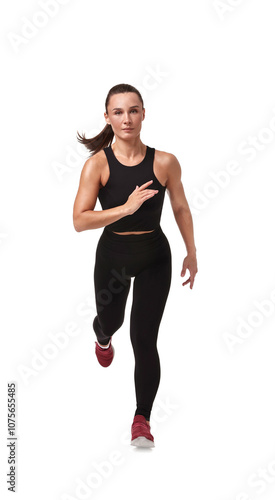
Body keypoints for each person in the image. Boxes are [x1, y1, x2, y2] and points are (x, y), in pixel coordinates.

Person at [73, 83, 197, 448]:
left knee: (144, 339)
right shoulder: (97, 164)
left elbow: (180, 207)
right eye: (118, 112)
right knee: (112, 321)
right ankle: (102, 335)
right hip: (113, 257)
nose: (126, 118)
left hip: (154, 258)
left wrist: (191, 250)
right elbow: (80, 220)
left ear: (143, 114)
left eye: (133, 110)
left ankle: (141, 419)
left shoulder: (165, 162)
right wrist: (125, 209)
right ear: (108, 118)